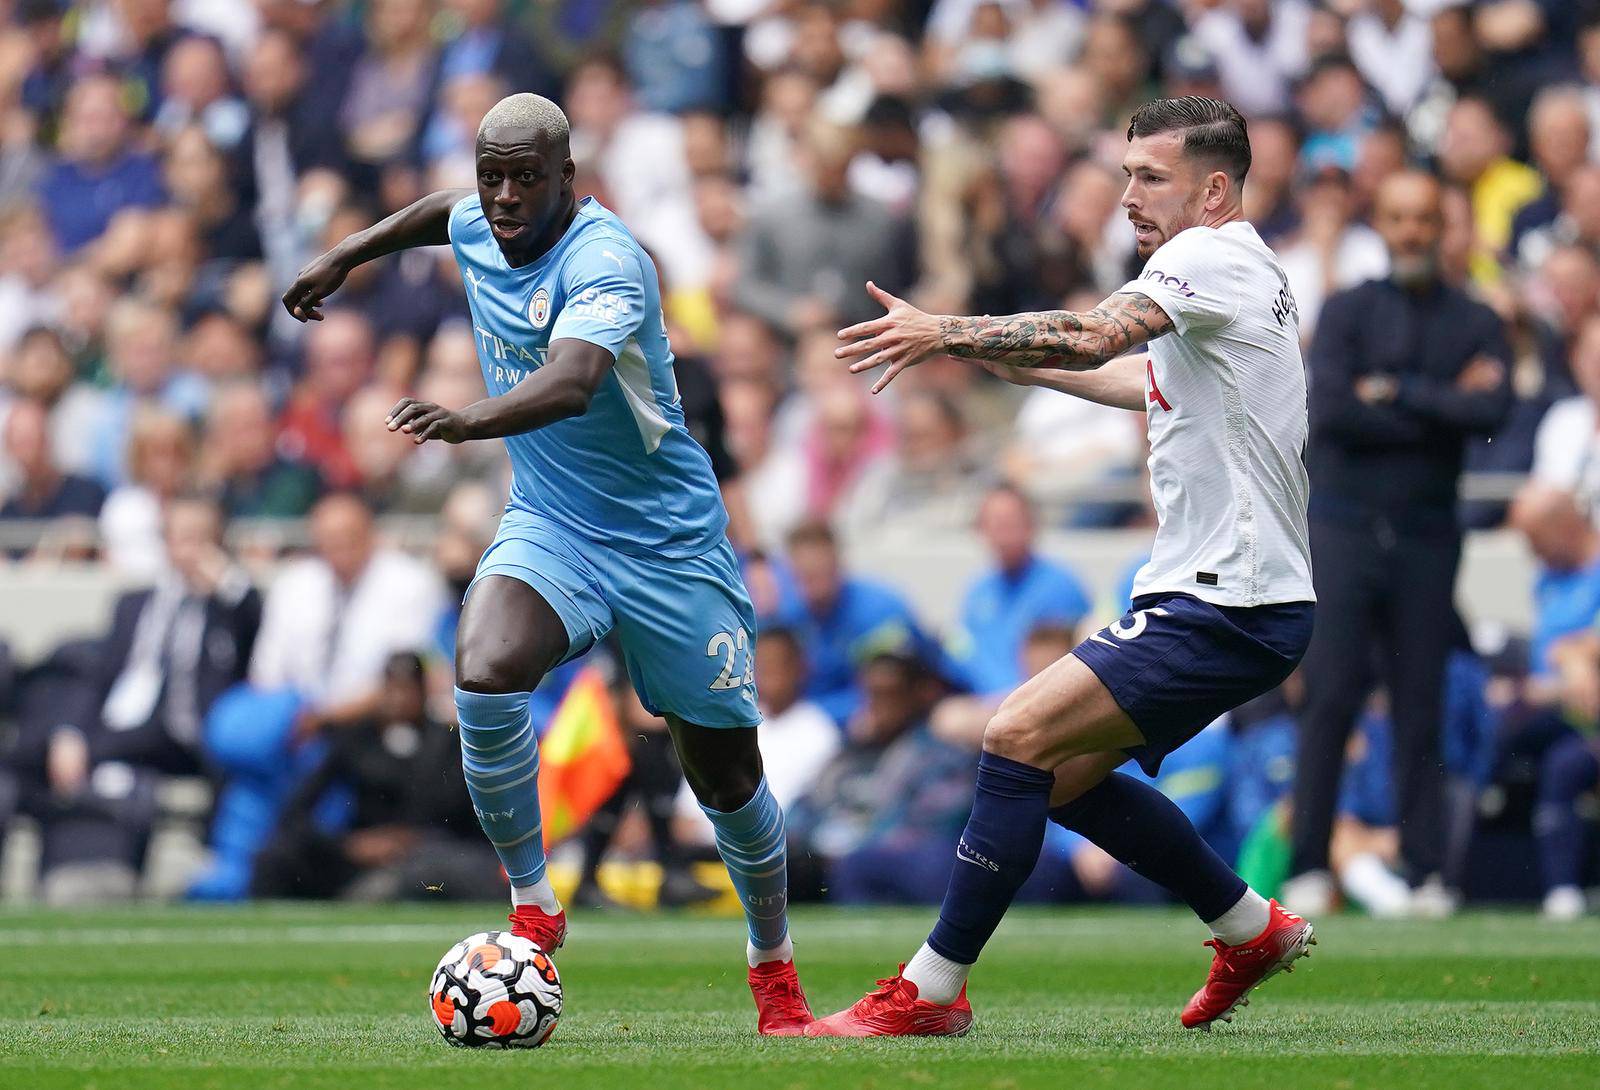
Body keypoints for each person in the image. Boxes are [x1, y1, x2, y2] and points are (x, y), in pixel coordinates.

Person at [281, 93, 812, 1036]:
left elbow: (571, 384)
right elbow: (433, 211)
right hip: (553, 525)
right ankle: (536, 903)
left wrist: (466, 419)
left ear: (571, 177)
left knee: (725, 778)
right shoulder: (478, 214)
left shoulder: (610, 260)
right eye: (494, 174)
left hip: (668, 547)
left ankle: (772, 964)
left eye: (528, 176)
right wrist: (341, 258)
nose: (505, 195)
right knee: (482, 672)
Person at [809, 96, 1317, 1037]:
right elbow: (1139, 381)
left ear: (1214, 189)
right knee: (1062, 776)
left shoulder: (1199, 257)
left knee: (1011, 735)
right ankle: (1250, 928)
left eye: (1150, 176)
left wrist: (950, 330)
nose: (1128, 194)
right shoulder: (1249, 271)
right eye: (1125, 173)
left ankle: (929, 993)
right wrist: (1013, 363)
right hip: (1243, 599)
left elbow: (1092, 335)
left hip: (1228, 600)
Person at [1288, 171, 1510, 918]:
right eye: (1398, 217)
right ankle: (1308, 864)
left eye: (1424, 219)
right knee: (1331, 696)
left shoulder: (1476, 318)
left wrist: (1397, 390)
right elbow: (1336, 411)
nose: (1412, 232)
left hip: (1426, 535)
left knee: (1423, 700)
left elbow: (1493, 410)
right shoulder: (1350, 310)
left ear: (1444, 225)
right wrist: (1437, 401)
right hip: (1346, 529)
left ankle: (1427, 869)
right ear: (1379, 223)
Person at [951, 485, 1092, 696]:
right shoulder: (977, 591)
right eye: (995, 524)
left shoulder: (1060, 586)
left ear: (1031, 526)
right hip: (982, 700)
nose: (1003, 534)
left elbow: (1057, 672)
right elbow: (964, 655)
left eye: (1010, 524)